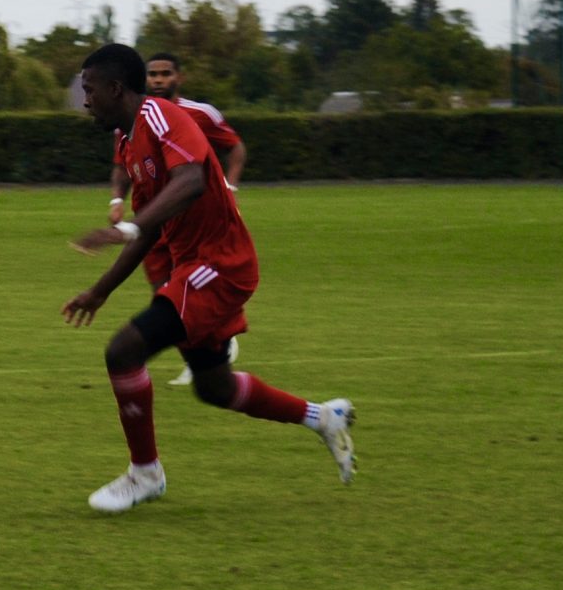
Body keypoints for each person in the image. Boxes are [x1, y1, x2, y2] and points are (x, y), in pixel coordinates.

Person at [63, 44, 354, 514]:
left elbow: (191, 181)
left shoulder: (161, 116)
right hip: (194, 267)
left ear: (116, 89)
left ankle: (145, 473)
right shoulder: (129, 142)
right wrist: (101, 290)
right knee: (215, 387)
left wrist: (125, 229)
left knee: (123, 351)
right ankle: (323, 417)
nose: (85, 101)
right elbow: (150, 228)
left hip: (220, 264)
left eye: (90, 89)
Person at [107, 51, 248, 387]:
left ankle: (213, 348)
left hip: (194, 220)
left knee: (183, 291)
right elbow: (123, 166)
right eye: (153, 74)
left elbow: (235, 148)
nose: (158, 80)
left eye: (165, 74)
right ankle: (200, 355)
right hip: (156, 220)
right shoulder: (129, 122)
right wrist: (117, 199)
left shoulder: (199, 113)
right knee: (163, 291)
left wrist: (230, 186)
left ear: (179, 77)